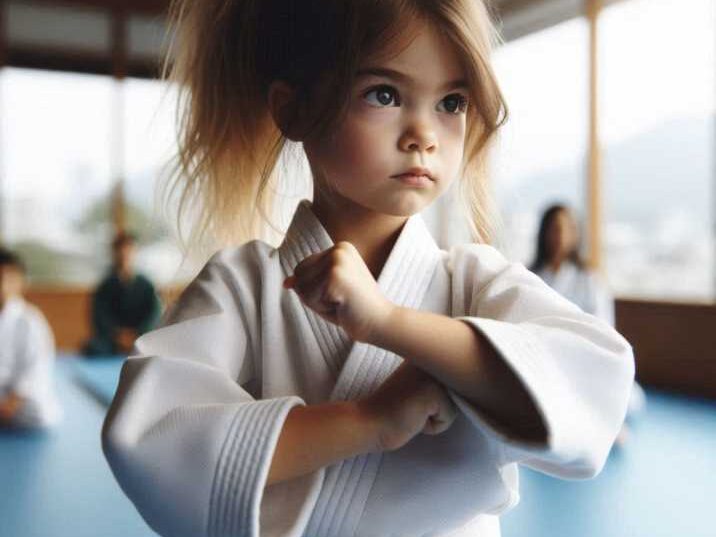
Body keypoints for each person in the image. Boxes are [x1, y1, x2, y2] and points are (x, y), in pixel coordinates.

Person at [102, 3, 635, 537]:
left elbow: (592, 381)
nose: (423, 134)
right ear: (295, 110)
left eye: (451, 102)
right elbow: (153, 434)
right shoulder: (243, 284)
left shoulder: (475, 281)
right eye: (384, 94)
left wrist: (387, 322)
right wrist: (366, 422)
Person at [530, 204, 646, 441]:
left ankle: (603, 423)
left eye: (568, 228)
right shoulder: (529, 277)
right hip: (543, 359)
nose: (561, 235)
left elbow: (604, 332)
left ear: (577, 234)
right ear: (544, 233)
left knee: (626, 399)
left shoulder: (590, 280)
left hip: (583, 359)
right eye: (555, 228)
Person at [0, 247, 62, 429]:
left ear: (20, 282)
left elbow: (37, 367)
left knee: (41, 411)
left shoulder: (30, 319)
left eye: (7, 278)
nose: (2, 284)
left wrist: (12, 403)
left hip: (23, 401)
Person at [83, 232, 161, 356]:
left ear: (135, 252)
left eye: (129, 250)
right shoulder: (105, 285)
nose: (124, 254)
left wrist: (137, 334)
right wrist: (118, 335)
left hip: (140, 338)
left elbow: (154, 315)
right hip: (113, 340)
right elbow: (99, 316)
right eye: (120, 251)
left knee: (158, 347)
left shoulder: (147, 285)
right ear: (114, 253)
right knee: (92, 347)